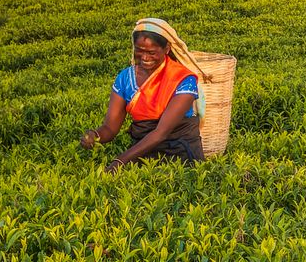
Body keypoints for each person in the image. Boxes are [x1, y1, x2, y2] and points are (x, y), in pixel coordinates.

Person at [80, 18, 211, 172]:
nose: (144, 57)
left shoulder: (182, 79)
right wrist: (95, 136)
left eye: (151, 52)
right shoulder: (125, 78)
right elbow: (110, 127)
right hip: (142, 151)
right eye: (139, 50)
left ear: (167, 49)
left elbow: (161, 133)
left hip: (180, 152)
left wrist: (121, 160)